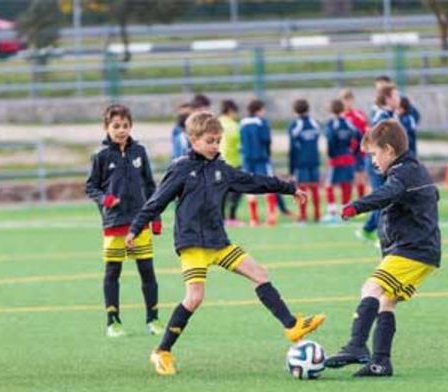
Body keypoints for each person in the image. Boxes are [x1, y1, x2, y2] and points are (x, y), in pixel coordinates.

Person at [125, 111, 327, 376]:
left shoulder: (221, 168)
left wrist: (288, 188)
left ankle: (292, 326)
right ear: (193, 139)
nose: (215, 146)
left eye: (218, 140)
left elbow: (254, 181)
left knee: (260, 273)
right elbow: (157, 201)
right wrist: (136, 228)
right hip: (192, 244)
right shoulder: (182, 168)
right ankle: (162, 351)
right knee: (195, 298)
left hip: (218, 242)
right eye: (210, 140)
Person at [324, 119, 441, 377]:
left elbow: (386, 194)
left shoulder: (401, 175)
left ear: (388, 150)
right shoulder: (413, 170)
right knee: (386, 300)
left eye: (375, 154)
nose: (373, 161)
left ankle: (356, 346)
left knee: (371, 288)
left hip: (412, 249)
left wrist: (355, 206)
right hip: (422, 251)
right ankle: (380, 363)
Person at [85, 104, 164, 338]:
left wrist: (155, 215)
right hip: (114, 224)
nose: (121, 130)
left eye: (125, 126)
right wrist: (105, 199)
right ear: (106, 127)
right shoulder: (100, 155)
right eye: (116, 126)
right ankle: (113, 321)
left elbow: (151, 186)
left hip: (139, 223)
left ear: (131, 126)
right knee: (113, 272)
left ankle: (153, 318)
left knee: (147, 271)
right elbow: (91, 187)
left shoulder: (139, 152)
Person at [359, 84, 401, 244]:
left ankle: (370, 229)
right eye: (396, 96)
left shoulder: (391, 115)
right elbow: (376, 144)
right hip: (378, 164)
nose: (399, 99)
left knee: (389, 198)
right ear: (387, 98)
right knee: (384, 198)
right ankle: (379, 234)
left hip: (387, 163)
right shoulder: (381, 117)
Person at [240, 99, 278, 226]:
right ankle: (271, 216)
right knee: (268, 185)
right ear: (259, 110)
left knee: (250, 187)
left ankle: (253, 219)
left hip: (247, 159)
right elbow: (266, 139)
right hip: (261, 158)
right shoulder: (262, 123)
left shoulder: (243, 123)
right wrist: (268, 153)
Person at [322, 99, 361, 222]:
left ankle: (332, 213)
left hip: (336, 159)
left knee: (329, 185)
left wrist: (330, 155)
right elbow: (359, 135)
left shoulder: (331, 124)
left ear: (330, 110)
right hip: (348, 157)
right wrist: (353, 151)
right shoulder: (348, 122)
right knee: (346, 185)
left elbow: (330, 140)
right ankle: (346, 212)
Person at [287, 98, 321, 222]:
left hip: (301, 162)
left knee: (302, 189)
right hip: (314, 160)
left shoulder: (295, 125)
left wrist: (291, 169)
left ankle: (303, 216)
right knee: (315, 188)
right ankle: (317, 215)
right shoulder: (314, 123)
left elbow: (292, 147)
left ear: (294, 111)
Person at [218, 99, 243, 226]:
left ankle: (221, 218)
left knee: (220, 192)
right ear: (230, 111)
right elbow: (240, 145)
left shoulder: (215, 122)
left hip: (218, 162)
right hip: (233, 162)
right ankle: (232, 217)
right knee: (236, 191)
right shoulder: (234, 126)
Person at [340, 89, 369, 198]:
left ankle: (361, 201)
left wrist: (364, 146)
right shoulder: (341, 117)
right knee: (346, 178)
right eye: (345, 100)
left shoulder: (359, 115)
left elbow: (366, 131)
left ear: (353, 101)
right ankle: (346, 203)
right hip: (346, 152)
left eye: (349, 100)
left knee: (360, 176)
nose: (347, 103)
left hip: (359, 152)